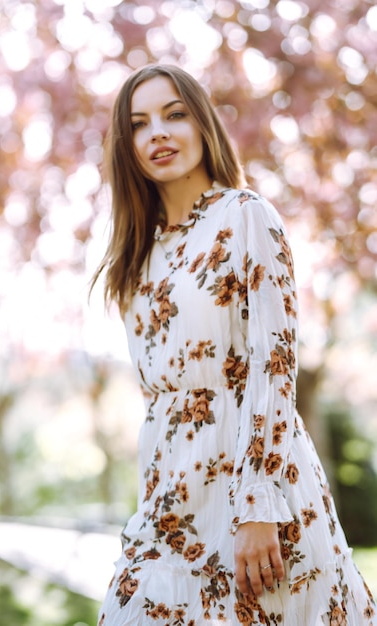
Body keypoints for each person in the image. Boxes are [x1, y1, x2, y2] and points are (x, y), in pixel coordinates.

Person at [92, 64, 376, 625]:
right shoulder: (137, 255)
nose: (159, 135)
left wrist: (258, 508)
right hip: (172, 498)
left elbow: (274, 368)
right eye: (140, 124)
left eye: (174, 115)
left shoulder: (246, 217)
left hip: (253, 487)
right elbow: (161, 404)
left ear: (202, 125)